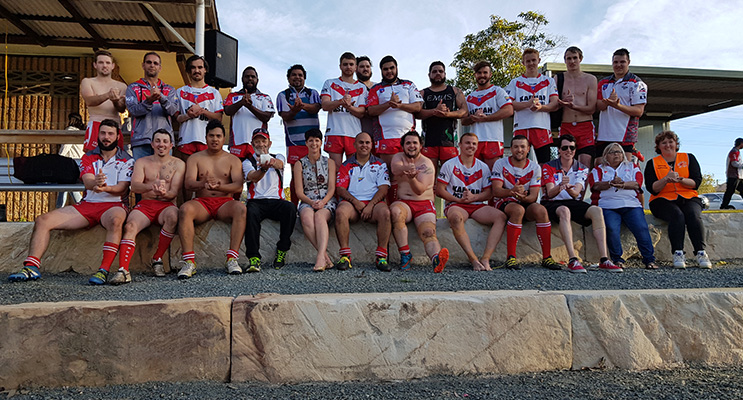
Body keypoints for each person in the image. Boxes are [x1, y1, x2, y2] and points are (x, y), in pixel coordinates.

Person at [9, 119, 133, 284]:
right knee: (43, 220)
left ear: (118, 136)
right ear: (98, 135)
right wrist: (96, 183)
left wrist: (105, 188)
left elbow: (122, 188)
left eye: (110, 134)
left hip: (114, 205)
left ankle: (103, 270)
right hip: (87, 205)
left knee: (116, 220)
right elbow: (87, 182)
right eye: (103, 133)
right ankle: (31, 267)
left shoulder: (127, 159)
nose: (106, 137)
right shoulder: (88, 156)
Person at [109, 129, 185, 284]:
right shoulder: (142, 162)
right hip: (145, 204)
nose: (161, 145)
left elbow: (173, 192)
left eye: (165, 142)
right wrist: (151, 187)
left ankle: (157, 259)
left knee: (173, 215)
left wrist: (163, 192)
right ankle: (123, 270)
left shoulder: (179, 164)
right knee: (130, 226)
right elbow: (135, 187)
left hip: (166, 205)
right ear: (152, 144)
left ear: (171, 145)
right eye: (157, 141)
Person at [177, 120, 246, 278]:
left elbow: (238, 186)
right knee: (185, 210)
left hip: (224, 203)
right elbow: (188, 183)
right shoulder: (195, 158)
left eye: (218, 136)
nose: (215, 139)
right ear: (205, 137)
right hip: (203, 202)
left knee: (241, 208)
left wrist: (220, 186)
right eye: (211, 136)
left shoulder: (233, 160)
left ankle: (232, 258)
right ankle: (189, 262)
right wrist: (203, 183)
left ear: (224, 138)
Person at [541, 135, 620, 273]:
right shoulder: (549, 166)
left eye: (572, 147)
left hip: (571, 200)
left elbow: (576, 194)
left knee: (596, 210)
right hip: (552, 202)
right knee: (564, 210)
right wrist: (560, 186)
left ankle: (604, 259)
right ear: (559, 150)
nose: (568, 150)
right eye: (564, 147)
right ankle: (573, 259)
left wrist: (569, 188)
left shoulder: (581, 168)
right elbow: (550, 193)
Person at [435, 133, 506, 271]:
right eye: (467, 143)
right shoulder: (449, 164)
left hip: (476, 205)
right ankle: (473, 259)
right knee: (455, 218)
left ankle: (485, 259)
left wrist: (474, 197)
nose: (471, 146)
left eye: (474, 144)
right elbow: (439, 190)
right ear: (460, 145)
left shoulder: (483, 167)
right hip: (456, 204)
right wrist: (457, 199)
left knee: (501, 217)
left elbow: (488, 192)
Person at [490, 135, 559, 270]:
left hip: (524, 200)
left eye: (522, 147)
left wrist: (523, 198)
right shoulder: (500, 163)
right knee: (518, 210)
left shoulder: (534, 167)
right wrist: (512, 192)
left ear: (528, 149)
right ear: (511, 149)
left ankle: (547, 257)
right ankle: (511, 257)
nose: (519, 150)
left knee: (541, 211)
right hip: (505, 201)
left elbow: (533, 197)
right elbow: (496, 191)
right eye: (516, 147)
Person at [644, 130, 711, 269]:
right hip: (662, 199)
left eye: (670, 142)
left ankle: (701, 252)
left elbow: (696, 182)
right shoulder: (653, 163)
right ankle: (678, 253)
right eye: (664, 143)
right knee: (677, 215)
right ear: (658, 146)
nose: (668, 145)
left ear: (676, 144)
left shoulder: (689, 157)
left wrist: (681, 180)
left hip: (688, 196)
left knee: (693, 215)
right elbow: (652, 188)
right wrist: (666, 179)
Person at [590, 142, 657, 269]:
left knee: (641, 228)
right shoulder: (598, 169)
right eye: (612, 152)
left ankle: (649, 260)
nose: (616, 154)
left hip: (631, 204)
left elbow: (638, 183)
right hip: (607, 205)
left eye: (619, 152)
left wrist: (623, 184)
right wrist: (610, 183)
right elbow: (595, 185)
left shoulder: (632, 166)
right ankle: (617, 259)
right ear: (605, 156)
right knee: (611, 228)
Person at [389, 131, 449, 272]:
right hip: (404, 202)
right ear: (403, 146)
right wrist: (408, 169)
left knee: (428, 232)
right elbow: (395, 169)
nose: (411, 146)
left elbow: (420, 190)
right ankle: (405, 254)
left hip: (423, 203)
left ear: (420, 146)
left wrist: (412, 178)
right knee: (396, 212)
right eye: (408, 143)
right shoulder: (398, 157)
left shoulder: (427, 164)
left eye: (415, 143)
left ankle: (436, 259)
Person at [335, 131, 391, 271]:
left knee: (385, 213)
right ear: (354, 144)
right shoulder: (346, 165)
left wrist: (370, 205)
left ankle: (381, 257)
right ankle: (345, 256)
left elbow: (383, 189)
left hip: (373, 203)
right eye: (361, 142)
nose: (364, 145)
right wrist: (356, 202)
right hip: (352, 203)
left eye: (367, 142)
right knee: (341, 212)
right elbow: (340, 189)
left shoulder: (380, 163)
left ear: (372, 145)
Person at [243, 128, 296, 271]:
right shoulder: (248, 162)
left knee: (290, 208)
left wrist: (269, 161)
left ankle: (282, 250)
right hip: (256, 201)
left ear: (269, 142)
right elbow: (253, 177)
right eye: (257, 141)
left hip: (276, 200)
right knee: (250, 214)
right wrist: (263, 169)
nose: (261, 144)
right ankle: (254, 257)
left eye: (263, 140)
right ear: (252, 143)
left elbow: (280, 164)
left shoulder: (278, 156)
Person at [276, 64, 322, 205]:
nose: (297, 77)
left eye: (300, 75)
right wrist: (294, 110)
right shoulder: (283, 95)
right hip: (294, 142)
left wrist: (301, 105)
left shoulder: (312, 93)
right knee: (297, 177)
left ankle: (316, 204)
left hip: (313, 142)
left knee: (316, 175)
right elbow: (285, 116)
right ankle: (294, 208)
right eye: (294, 75)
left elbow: (316, 108)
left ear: (304, 78)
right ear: (288, 78)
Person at [366, 55, 424, 166]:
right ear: (381, 71)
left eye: (392, 68)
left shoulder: (408, 84)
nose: (389, 71)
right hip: (385, 137)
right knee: (390, 174)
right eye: (385, 69)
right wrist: (389, 104)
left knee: (408, 173)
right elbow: (371, 111)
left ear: (396, 68)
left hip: (408, 136)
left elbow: (418, 107)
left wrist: (399, 105)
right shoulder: (375, 89)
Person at [293, 128, 337, 272]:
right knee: (306, 217)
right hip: (307, 199)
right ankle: (325, 257)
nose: (314, 143)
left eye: (317, 140)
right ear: (306, 143)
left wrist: (323, 202)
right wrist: (311, 202)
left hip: (326, 199)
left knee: (319, 216)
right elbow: (299, 191)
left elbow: (332, 188)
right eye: (311, 140)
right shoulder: (299, 164)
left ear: (321, 142)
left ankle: (319, 258)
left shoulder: (329, 162)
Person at [505, 48, 559, 164]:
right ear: (523, 63)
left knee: (544, 164)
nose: (531, 64)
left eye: (533, 60)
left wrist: (541, 108)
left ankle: (543, 183)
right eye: (528, 61)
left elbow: (555, 104)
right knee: (519, 163)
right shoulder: (515, 82)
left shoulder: (548, 81)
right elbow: (509, 104)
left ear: (539, 60)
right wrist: (528, 104)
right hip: (521, 127)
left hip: (542, 127)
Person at [596, 48, 647, 164]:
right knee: (600, 168)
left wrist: (616, 105)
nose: (618, 65)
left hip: (624, 136)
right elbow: (599, 106)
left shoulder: (637, 83)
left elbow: (639, 111)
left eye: (622, 62)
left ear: (628, 62)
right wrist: (607, 102)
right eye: (615, 62)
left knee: (624, 171)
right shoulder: (603, 82)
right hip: (604, 135)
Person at [125, 51, 178, 160]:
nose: (152, 65)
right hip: (141, 141)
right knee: (141, 176)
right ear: (143, 65)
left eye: (155, 63)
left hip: (164, 142)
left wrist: (161, 98)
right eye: (149, 62)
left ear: (160, 68)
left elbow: (174, 111)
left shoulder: (169, 89)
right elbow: (133, 110)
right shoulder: (132, 87)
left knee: (164, 176)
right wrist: (148, 102)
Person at [462, 60, 514, 169]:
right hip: (474, 141)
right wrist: (473, 118)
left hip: (493, 139)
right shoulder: (469, 97)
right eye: (479, 73)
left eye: (485, 73)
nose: (482, 75)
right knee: (475, 174)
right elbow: (463, 121)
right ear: (475, 75)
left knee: (493, 175)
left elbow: (509, 110)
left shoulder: (497, 91)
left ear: (490, 75)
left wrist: (486, 118)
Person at [417, 61, 468, 169]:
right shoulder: (422, 93)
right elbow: (416, 113)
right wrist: (434, 111)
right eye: (434, 71)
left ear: (445, 74)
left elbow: (464, 111)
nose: (438, 73)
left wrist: (447, 114)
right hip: (428, 141)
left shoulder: (455, 91)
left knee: (450, 176)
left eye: (441, 71)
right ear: (429, 75)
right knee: (428, 176)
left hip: (449, 141)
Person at [321, 52, 368, 166]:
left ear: (355, 67)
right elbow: (325, 105)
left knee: (354, 170)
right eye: (345, 64)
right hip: (335, 132)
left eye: (351, 64)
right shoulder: (330, 83)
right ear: (340, 66)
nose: (348, 67)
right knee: (335, 170)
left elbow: (362, 112)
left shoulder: (362, 87)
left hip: (354, 133)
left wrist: (349, 107)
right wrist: (341, 101)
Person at [556, 46, 598, 168]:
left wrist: (574, 106)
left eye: (575, 58)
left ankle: (582, 188)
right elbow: (553, 104)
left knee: (584, 165)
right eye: (569, 58)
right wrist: (562, 102)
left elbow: (591, 108)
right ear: (565, 60)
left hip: (585, 125)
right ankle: (566, 187)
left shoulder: (590, 79)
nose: (572, 61)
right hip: (566, 125)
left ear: (580, 59)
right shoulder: (558, 79)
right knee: (565, 164)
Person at [174, 55, 224, 156]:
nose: (197, 70)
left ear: (205, 70)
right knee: (188, 172)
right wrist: (189, 115)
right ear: (188, 71)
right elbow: (176, 118)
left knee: (206, 172)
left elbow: (219, 118)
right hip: (186, 141)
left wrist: (202, 111)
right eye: (193, 67)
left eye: (200, 67)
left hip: (206, 142)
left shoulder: (214, 92)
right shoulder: (180, 92)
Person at [223, 66, 275, 161]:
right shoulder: (233, 96)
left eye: (252, 76)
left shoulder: (264, 97)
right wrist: (241, 103)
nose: (250, 78)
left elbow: (266, 117)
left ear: (257, 80)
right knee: (237, 174)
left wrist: (249, 106)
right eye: (247, 76)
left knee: (258, 173)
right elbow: (227, 111)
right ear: (242, 79)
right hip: (237, 144)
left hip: (258, 144)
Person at [80, 50, 127, 152]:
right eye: (101, 62)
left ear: (113, 66)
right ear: (95, 65)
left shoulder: (122, 86)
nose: (104, 65)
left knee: (116, 159)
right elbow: (89, 101)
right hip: (96, 123)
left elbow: (122, 109)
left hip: (115, 125)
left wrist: (115, 101)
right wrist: (108, 95)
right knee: (93, 158)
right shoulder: (88, 82)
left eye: (108, 63)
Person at [355, 56, 378, 143]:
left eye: (368, 66)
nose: (365, 69)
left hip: (379, 133)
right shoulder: (351, 88)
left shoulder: (379, 87)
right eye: (362, 67)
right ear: (356, 69)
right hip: (359, 133)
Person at [721, 137, 743, 209]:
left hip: (738, 176)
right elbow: (734, 163)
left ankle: (724, 205)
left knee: (741, 189)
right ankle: (724, 206)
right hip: (733, 175)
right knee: (730, 191)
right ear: (741, 144)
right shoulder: (734, 151)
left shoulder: (737, 152)